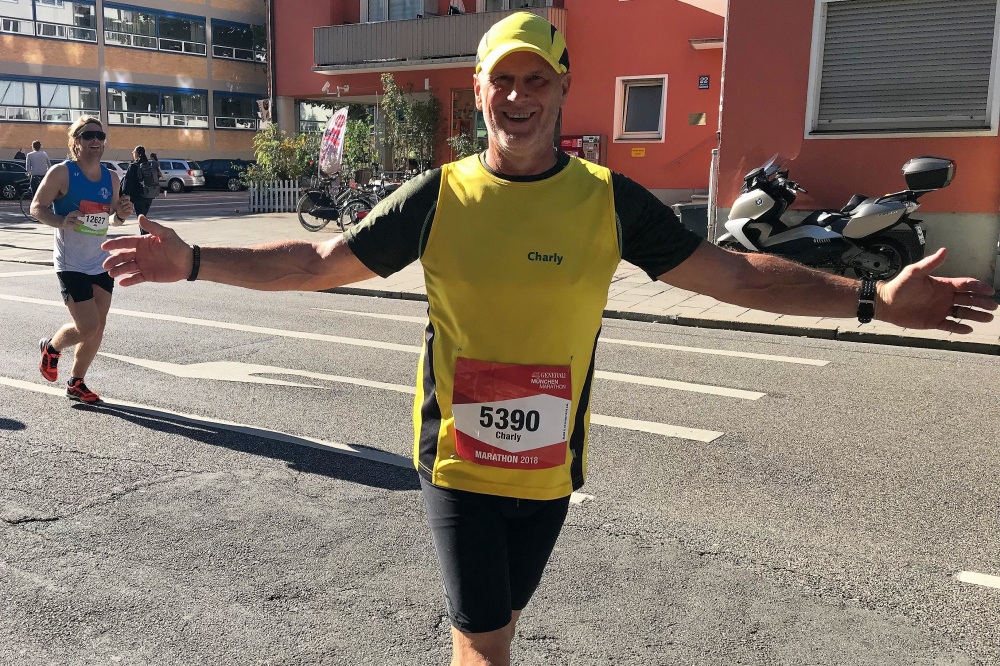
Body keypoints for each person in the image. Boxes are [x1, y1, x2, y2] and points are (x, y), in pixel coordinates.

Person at [102, 13, 996, 665]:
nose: (518, 96)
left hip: (550, 469)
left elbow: (735, 277)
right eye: (504, 79)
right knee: (487, 643)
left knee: (493, 627)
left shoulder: (608, 202)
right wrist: (194, 259)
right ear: (480, 90)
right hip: (455, 461)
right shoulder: (438, 196)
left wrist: (875, 299)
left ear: (564, 89)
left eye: (537, 80)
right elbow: (316, 262)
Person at [33, 115, 134, 403]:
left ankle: (76, 382)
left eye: (100, 136)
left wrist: (120, 215)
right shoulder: (62, 173)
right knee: (87, 325)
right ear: (75, 142)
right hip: (71, 262)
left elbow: (110, 219)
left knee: (98, 326)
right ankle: (51, 347)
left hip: (99, 260)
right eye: (88, 135)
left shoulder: (111, 177)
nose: (95, 141)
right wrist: (60, 220)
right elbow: (37, 207)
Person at [120, 145, 159, 235]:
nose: (132, 154)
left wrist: (125, 194)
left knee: (141, 217)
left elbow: (128, 181)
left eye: (133, 152)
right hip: (149, 194)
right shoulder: (148, 164)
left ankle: (145, 236)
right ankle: (146, 234)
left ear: (137, 153)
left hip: (139, 195)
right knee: (143, 215)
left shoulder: (134, 165)